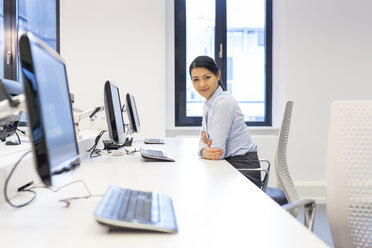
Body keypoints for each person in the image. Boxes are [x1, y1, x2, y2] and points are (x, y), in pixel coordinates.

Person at [189, 55, 261, 188]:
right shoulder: (209, 104)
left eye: (207, 77)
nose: (202, 84)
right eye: (196, 80)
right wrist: (204, 150)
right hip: (229, 166)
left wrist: (205, 149)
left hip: (243, 171)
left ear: (217, 75)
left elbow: (217, 151)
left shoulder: (223, 103)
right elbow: (202, 140)